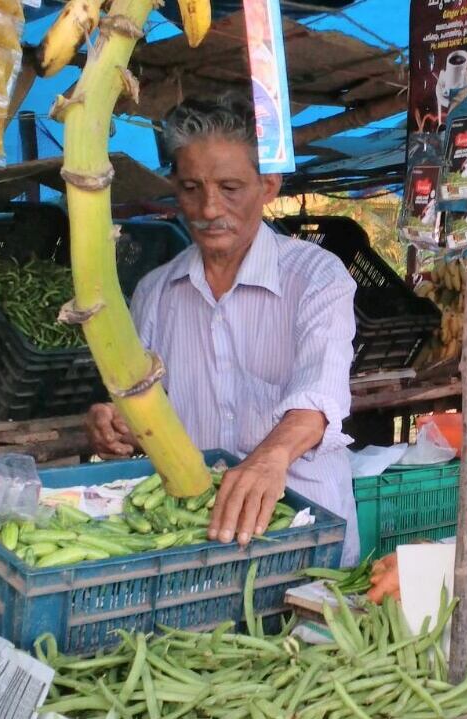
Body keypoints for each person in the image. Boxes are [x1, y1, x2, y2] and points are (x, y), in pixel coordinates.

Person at [85, 92, 360, 564]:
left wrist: (269, 459)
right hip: (198, 535)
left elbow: (319, 399)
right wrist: (114, 423)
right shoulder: (155, 292)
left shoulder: (317, 277)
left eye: (230, 188)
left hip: (303, 528)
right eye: (191, 188)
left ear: (268, 185)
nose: (209, 208)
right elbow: (139, 407)